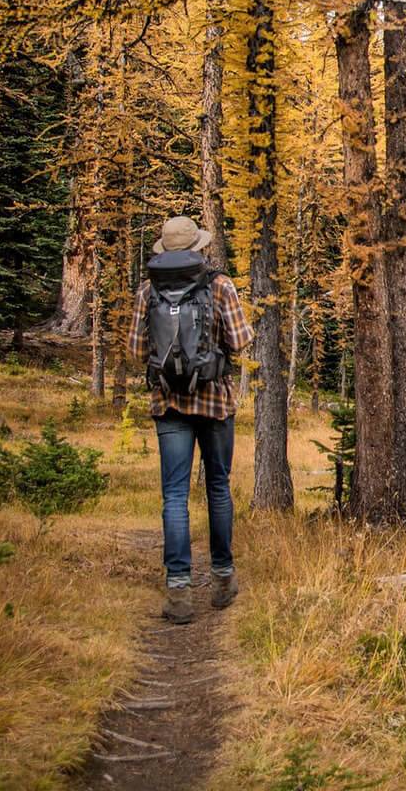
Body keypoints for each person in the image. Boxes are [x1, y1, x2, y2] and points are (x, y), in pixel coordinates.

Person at [128, 215, 253, 624]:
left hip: (169, 403)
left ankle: (179, 590)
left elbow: (135, 347)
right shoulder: (220, 285)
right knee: (217, 488)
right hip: (215, 403)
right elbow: (240, 340)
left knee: (174, 496)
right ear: (200, 248)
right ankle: (222, 577)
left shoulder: (148, 290)